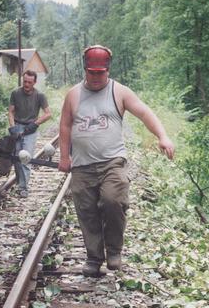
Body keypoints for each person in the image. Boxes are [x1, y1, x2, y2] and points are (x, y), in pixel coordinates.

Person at [58, 45, 175, 277]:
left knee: (114, 200)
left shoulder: (119, 91)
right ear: (85, 69)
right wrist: (64, 156)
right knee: (86, 211)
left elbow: (144, 112)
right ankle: (94, 258)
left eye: (100, 72)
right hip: (82, 166)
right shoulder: (73, 94)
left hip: (112, 162)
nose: (96, 77)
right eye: (91, 72)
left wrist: (162, 136)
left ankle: (114, 251)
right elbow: (65, 124)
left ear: (108, 70)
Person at [8, 70, 51, 198]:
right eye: (25, 81)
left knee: (25, 158)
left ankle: (23, 187)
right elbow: (10, 112)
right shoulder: (15, 93)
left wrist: (36, 123)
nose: (26, 84)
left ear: (34, 82)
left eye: (29, 82)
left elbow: (48, 113)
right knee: (16, 158)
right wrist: (13, 127)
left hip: (30, 128)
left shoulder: (40, 95)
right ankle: (19, 181)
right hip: (18, 126)